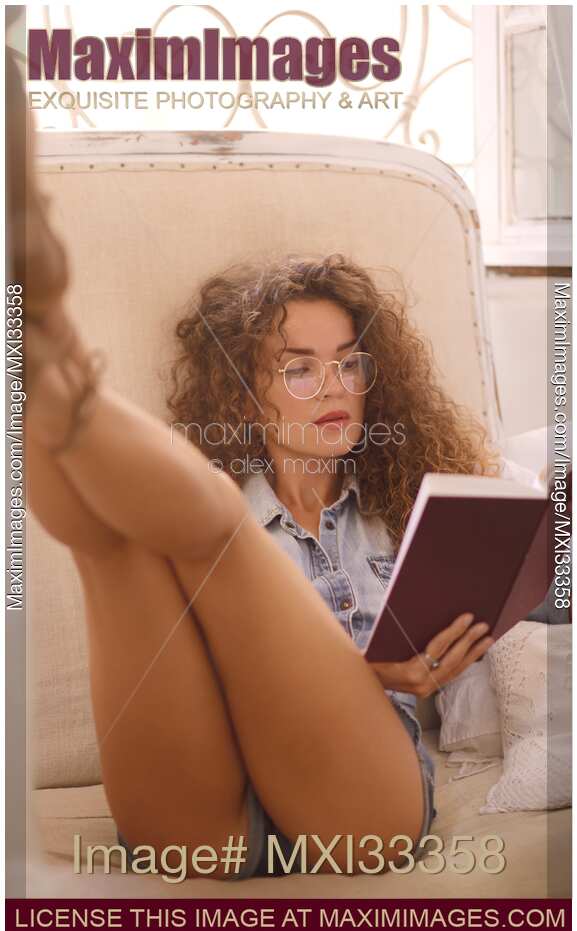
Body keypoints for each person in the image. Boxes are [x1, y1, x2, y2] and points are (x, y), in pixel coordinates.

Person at [16, 56, 500, 881]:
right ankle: (32, 348)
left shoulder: (414, 513)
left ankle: (51, 335)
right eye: (299, 368)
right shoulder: (167, 512)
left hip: (358, 809)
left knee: (209, 529)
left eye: (349, 362)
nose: (334, 386)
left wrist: (411, 672)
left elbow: (486, 722)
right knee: (116, 545)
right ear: (244, 397)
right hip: (206, 812)